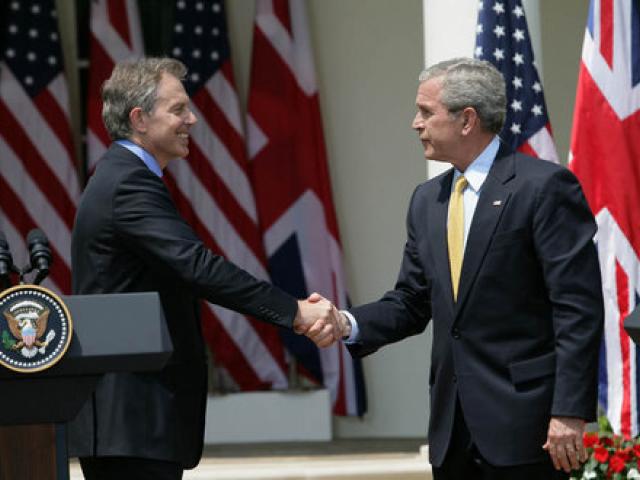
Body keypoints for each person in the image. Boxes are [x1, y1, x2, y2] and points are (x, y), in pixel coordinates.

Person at [67, 57, 341, 480]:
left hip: (135, 421)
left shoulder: (123, 176)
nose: (191, 119)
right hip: (132, 418)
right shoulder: (127, 182)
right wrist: (294, 312)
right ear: (139, 119)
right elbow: (198, 267)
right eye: (178, 109)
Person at [337, 58, 604, 479]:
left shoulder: (544, 188)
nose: (415, 123)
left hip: (527, 428)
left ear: (467, 120)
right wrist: (345, 322)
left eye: (426, 112)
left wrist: (569, 411)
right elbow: (411, 301)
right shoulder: (427, 200)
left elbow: (577, 309)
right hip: (452, 431)